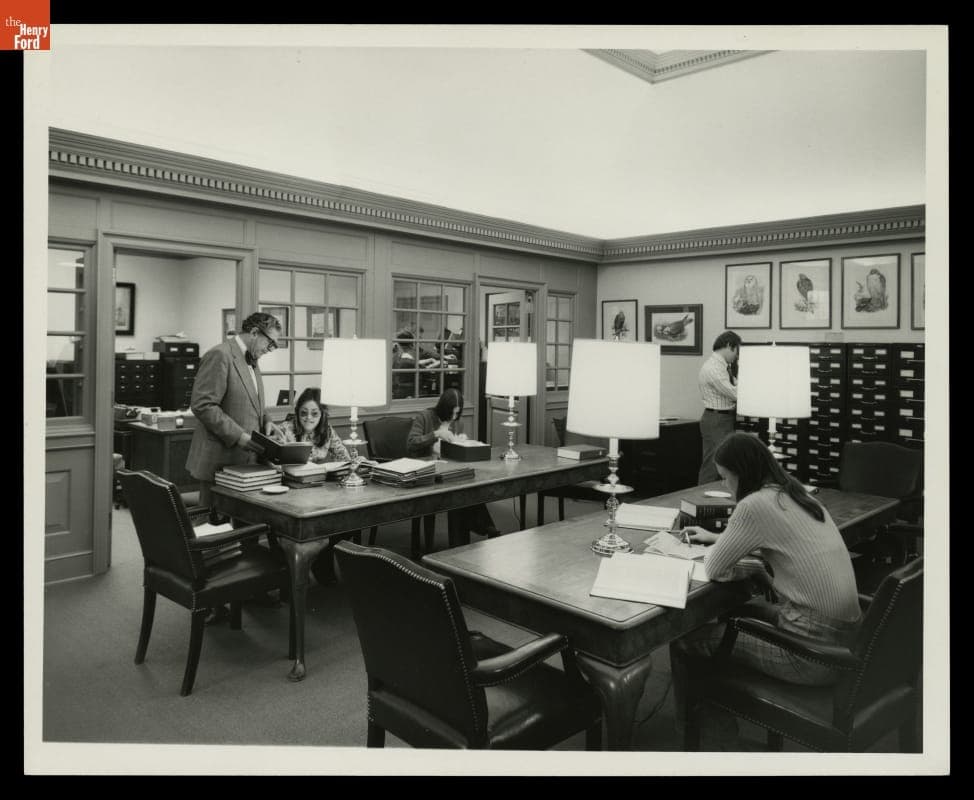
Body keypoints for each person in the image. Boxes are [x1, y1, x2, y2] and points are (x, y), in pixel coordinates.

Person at [670, 432, 861, 749]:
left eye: (725, 478)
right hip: (847, 640)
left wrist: (750, 564)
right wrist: (718, 538)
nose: (725, 487)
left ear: (741, 473)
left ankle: (702, 733)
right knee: (736, 616)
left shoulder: (754, 505)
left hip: (810, 654)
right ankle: (718, 709)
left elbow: (714, 569)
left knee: (686, 640)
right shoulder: (799, 495)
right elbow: (779, 539)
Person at [185, 311, 284, 620]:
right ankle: (213, 603)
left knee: (246, 529)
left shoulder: (253, 362)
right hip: (220, 460)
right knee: (214, 534)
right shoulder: (220, 355)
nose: (272, 349)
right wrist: (239, 437)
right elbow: (202, 405)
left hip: (246, 464)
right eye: (271, 342)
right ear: (255, 333)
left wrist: (269, 422)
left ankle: (248, 590)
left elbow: (254, 406)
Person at [406, 388, 499, 539]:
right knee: (460, 494)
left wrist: (460, 441)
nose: (454, 417)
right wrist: (435, 434)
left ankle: (483, 529)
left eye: (457, 413)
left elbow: (452, 449)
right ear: (443, 409)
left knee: (469, 489)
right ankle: (484, 528)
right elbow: (411, 444)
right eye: (452, 413)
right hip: (427, 471)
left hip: (449, 468)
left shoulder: (457, 423)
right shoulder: (424, 417)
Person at [697, 330, 742, 484]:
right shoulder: (714, 368)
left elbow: (734, 384)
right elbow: (734, 393)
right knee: (713, 464)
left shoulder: (723, 366)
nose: (736, 356)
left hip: (723, 418)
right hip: (717, 419)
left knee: (722, 462)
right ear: (730, 346)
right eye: (736, 351)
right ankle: (700, 500)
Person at [277, 387, 352, 463]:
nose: (309, 417)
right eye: (303, 413)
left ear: (322, 414)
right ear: (297, 412)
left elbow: (344, 458)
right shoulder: (283, 429)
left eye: (314, 413)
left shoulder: (327, 430)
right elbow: (273, 463)